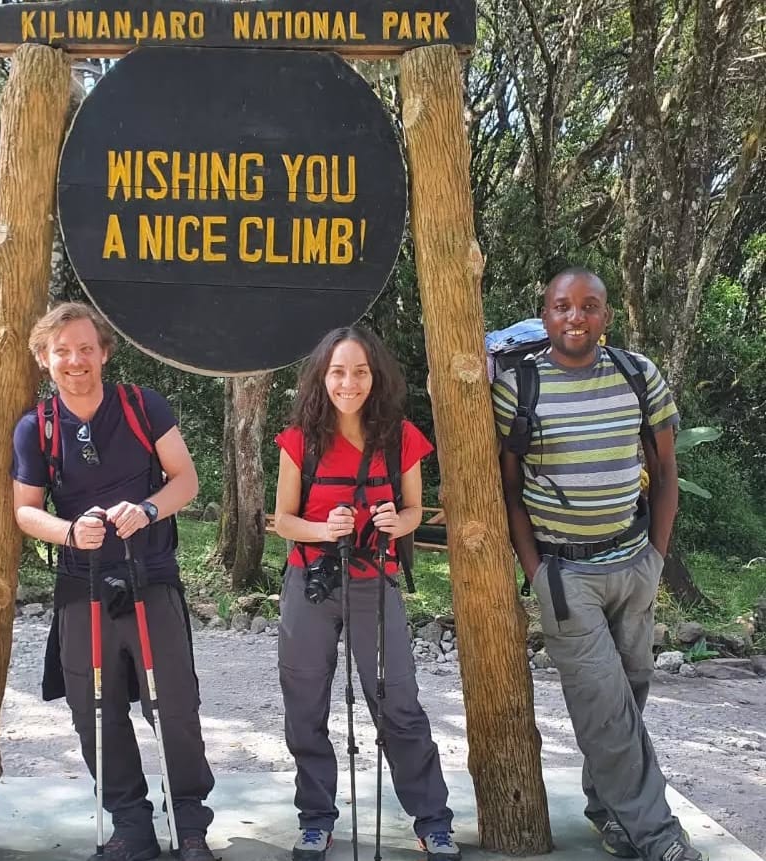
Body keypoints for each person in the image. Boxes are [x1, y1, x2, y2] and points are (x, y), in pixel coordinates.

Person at [493, 268, 703, 861]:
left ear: (606, 316)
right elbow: (510, 490)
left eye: (589, 306)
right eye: (563, 306)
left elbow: (665, 470)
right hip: (566, 577)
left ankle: (608, 810)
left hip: (634, 563)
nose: (575, 317)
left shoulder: (638, 375)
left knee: (628, 696)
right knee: (605, 709)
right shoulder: (517, 387)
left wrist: (656, 556)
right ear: (546, 314)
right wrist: (537, 571)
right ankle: (659, 836)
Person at [11, 302, 215, 861]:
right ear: (44, 359)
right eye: (61, 351)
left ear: (104, 352)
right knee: (95, 711)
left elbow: (186, 479)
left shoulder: (142, 406)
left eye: (85, 348)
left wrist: (147, 511)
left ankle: (189, 824)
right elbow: (25, 510)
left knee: (173, 705)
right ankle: (130, 827)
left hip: (151, 576)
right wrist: (69, 532)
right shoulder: (36, 427)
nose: (75, 361)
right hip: (83, 584)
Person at [273, 326, 460, 861]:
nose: (348, 383)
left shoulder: (400, 438)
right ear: (321, 377)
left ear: (375, 377)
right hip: (311, 583)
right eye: (338, 372)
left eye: (359, 372)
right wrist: (322, 529)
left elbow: (414, 510)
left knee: (397, 702)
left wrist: (396, 522)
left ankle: (432, 821)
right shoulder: (299, 440)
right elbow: (283, 520)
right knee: (304, 705)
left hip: (374, 582)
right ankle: (315, 819)